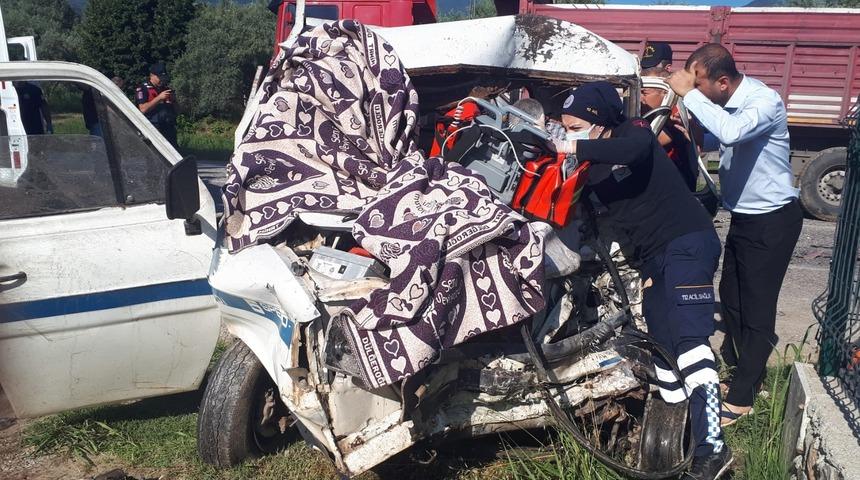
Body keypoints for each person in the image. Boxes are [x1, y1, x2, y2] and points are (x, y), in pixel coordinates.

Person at [555, 82, 731, 479]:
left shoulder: (632, 134)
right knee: (663, 350)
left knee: (689, 342)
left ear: (598, 122)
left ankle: (713, 451)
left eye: (576, 125)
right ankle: (680, 440)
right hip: (654, 259)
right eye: (564, 127)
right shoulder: (595, 165)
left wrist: (570, 148)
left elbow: (634, 151)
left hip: (687, 243)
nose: (570, 133)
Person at [667, 44, 802, 427]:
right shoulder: (729, 102)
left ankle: (743, 399)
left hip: (773, 220)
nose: (694, 88)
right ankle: (749, 376)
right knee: (732, 298)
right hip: (744, 217)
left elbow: (730, 130)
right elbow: (719, 140)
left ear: (722, 82)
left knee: (758, 310)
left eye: (700, 83)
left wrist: (687, 94)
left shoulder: (763, 101)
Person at [135, 63, 177, 146]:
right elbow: (142, 109)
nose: (162, 81)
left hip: (168, 128)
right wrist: (159, 98)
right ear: (152, 75)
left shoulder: (165, 89)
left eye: (163, 78)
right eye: (159, 78)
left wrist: (174, 100)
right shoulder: (143, 88)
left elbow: (177, 111)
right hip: (153, 128)